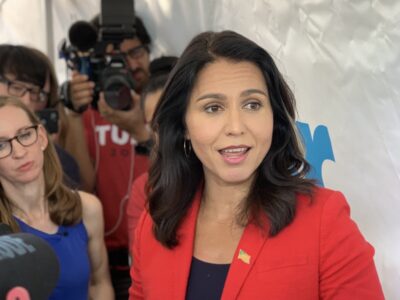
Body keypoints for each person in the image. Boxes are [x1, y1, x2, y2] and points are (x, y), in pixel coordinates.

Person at [129, 31, 384, 299]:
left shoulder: (324, 220)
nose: (236, 127)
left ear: (274, 116)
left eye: (252, 104)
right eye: (213, 108)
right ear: (184, 126)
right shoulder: (155, 221)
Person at [63, 15, 152, 299]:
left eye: (135, 52)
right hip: (102, 259)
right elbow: (80, 187)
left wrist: (141, 129)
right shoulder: (87, 112)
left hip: (156, 248)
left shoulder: (164, 104)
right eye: (113, 58)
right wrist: (75, 117)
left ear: (149, 51)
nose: (128, 65)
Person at [0, 96, 113, 299]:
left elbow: (99, 284)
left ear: (42, 137)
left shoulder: (87, 208)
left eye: (25, 135)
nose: (19, 152)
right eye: (1, 146)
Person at [0, 44, 81, 188]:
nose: (26, 101)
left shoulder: (62, 161)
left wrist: (48, 157)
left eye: (37, 94)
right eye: (17, 88)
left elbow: (65, 205)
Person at [126, 56, 178, 247]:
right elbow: (142, 261)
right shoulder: (144, 189)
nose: (165, 131)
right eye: (155, 124)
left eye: (171, 117)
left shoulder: (225, 176)